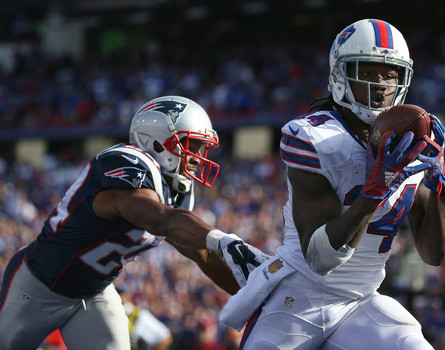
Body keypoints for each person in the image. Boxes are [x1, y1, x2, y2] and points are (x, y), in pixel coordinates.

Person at [220, 19, 445, 349]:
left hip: (360, 302)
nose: (380, 84)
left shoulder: (411, 143)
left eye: (389, 74)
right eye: (369, 71)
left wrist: (440, 182)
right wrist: (377, 188)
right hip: (300, 296)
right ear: (340, 75)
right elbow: (320, 258)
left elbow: (436, 254)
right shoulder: (316, 137)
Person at [0, 95, 268, 350]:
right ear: (158, 142)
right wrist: (222, 240)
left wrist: (263, 298)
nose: (199, 157)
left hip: (94, 294)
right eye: (193, 145)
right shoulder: (125, 163)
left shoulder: (176, 193)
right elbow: (158, 218)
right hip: (37, 285)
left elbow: (205, 257)